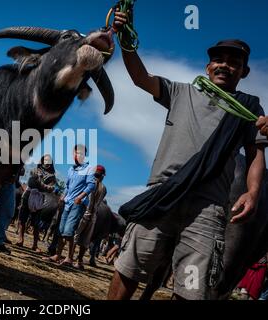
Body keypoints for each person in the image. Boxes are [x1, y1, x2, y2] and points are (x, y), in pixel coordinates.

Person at [108, 9, 267, 300]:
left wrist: (253, 192)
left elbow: (256, 153)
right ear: (208, 67)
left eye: (234, 63)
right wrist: (125, 41)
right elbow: (141, 78)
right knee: (130, 268)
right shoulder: (180, 92)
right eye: (219, 60)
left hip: (208, 208)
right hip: (163, 194)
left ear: (243, 72)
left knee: (194, 288)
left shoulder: (250, 110)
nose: (225, 66)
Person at [43, 145, 96, 267]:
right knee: (61, 230)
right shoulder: (71, 169)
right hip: (67, 202)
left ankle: (69, 258)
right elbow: (67, 185)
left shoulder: (88, 169)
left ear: (83, 155)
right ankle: (58, 255)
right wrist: (63, 195)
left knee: (68, 231)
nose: (76, 156)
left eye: (79, 153)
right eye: (75, 153)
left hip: (78, 204)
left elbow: (91, 186)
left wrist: (80, 197)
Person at [17, 155, 57, 251]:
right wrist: (38, 182)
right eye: (45, 160)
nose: (46, 163)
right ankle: (20, 239)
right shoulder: (35, 170)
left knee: (36, 222)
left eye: (49, 161)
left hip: (39, 197)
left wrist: (41, 184)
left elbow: (51, 189)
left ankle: (35, 245)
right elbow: (30, 181)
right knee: (22, 218)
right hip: (29, 194)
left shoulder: (52, 176)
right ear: (42, 161)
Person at [73, 165, 107, 270]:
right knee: (85, 240)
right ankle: (79, 261)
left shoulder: (88, 183)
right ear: (102, 176)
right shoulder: (104, 188)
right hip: (93, 216)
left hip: (84, 212)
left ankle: (70, 257)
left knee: (75, 235)